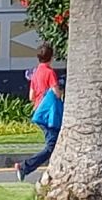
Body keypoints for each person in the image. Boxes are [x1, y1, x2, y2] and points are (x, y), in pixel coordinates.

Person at [16, 43, 63, 180]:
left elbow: (31, 96)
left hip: (39, 112)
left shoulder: (36, 73)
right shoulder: (50, 72)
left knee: (54, 143)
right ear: (51, 57)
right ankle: (24, 167)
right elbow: (56, 93)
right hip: (49, 115)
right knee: (51, 146)